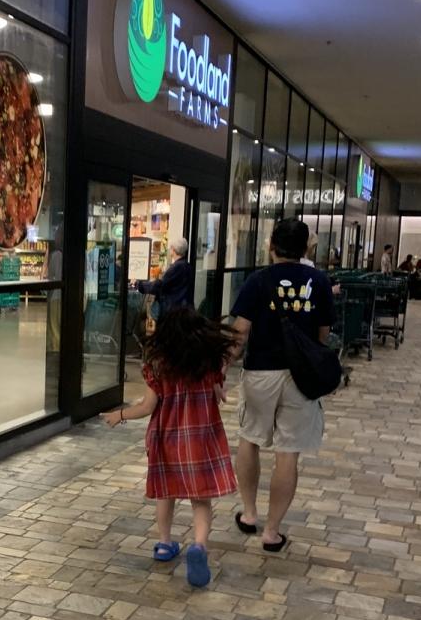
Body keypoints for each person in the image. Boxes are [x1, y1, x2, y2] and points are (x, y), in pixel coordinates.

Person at [101, 307, 237, 587]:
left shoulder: (159, 364)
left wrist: (120, 415)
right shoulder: (208, 363)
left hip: (166, 439)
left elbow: (147, 406)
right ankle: (199, 545)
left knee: (166, 492)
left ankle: (164, 544)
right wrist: (216, 389)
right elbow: (216, 392)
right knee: (201, 498)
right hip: (200, 439)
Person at [229, 218, 335, 553]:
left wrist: (222, 365)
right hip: (300, 376)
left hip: (260, 372)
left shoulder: (258, 280)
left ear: (271, 245)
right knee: (288, 453)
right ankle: (272, 532)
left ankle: (249, 513)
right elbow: (323, 334)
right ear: (305, 248)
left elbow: (240, 331)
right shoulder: (319, 281)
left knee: (250, 438)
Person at [134, 238, 194, 314]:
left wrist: (139, 284)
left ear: (173, 250)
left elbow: (159, 285)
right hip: (185, 309)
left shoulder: (176, 268)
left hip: (174, 310)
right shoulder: (188, 267)